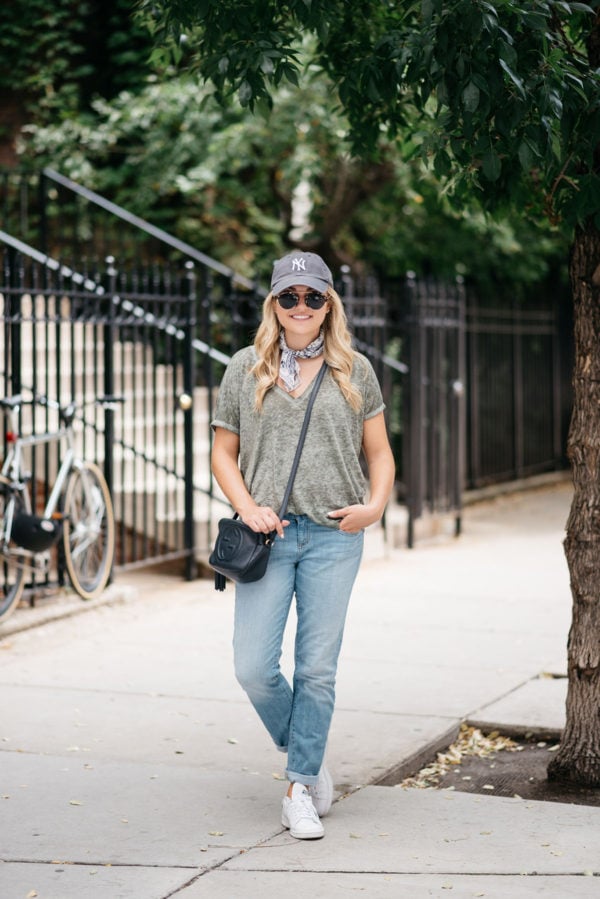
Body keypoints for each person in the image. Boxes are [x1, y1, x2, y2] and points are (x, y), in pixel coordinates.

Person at [210, 250, 395, 840]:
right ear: (273, 303)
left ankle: (298, 790)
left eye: (312, 297)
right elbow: (222, 453)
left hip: (334, 538)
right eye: (289, 297)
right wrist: (247, 506)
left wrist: (375, 507)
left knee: (316, 669)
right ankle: (310, 761)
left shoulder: (354, 370)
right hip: (268, 538)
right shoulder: (244, 368)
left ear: (328, 304)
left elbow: (380, 454)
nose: (301, 307)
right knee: (253, 668)